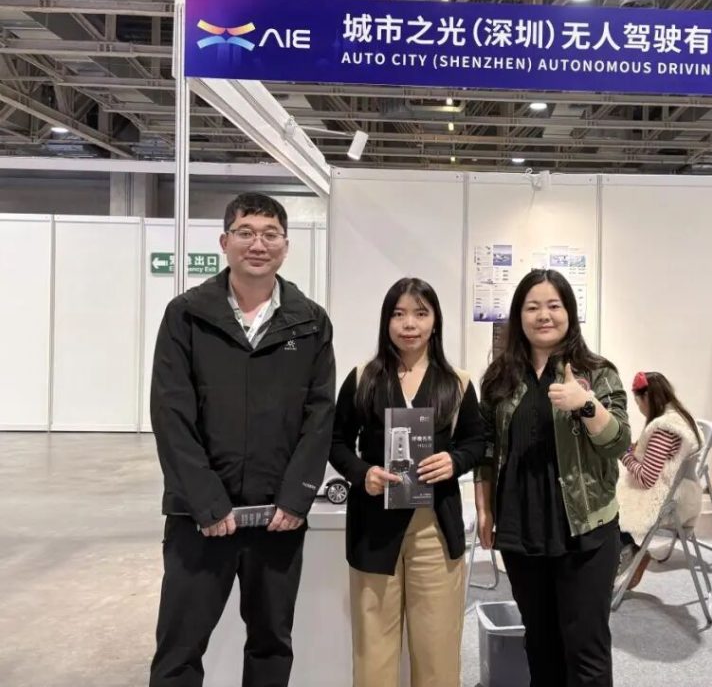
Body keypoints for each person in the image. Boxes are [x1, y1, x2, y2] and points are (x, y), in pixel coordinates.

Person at [149, 192, 336, 687]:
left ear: (286, 246)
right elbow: (171, 415)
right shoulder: (187, 315)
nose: (258, 244)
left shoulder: (309, 321)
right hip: (199, 517)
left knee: (271, 643)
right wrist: (206, 502)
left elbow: (320, 416)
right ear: (224, 241)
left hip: (277, 518)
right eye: (246, 232)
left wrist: (296, 498)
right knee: (179, 649)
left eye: (271, 234)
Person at [475, 269, 630, 687]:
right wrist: (484, 508)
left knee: (586, 650)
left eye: (553, 306)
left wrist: (587, 405)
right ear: (519, 316)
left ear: (569, 312)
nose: (543, 315)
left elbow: (618, 443)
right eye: (532, 307)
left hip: (585, 529)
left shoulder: (598, 373)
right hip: (521, 528)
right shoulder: (500, 378)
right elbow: (486, 449)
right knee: (540, 645)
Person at [330, 278, 486, 687]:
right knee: (374, 651)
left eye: (420, 313)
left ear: (435, 322)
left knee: (437, 650)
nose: (409, 324)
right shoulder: (363, 377)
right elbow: (336, 441)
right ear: (386, 322)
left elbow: (476, 442)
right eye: (398, 314)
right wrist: (363, 473)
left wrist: (454, 461)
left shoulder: (457, 382)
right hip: (374, 527)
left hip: (435, 527)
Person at [615, 371, 704, 590]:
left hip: (669, 503)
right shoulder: (680, 417)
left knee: (613, 512)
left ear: (646, 397)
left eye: (638, 402)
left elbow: (646, 478)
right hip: (684, 493)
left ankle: (631, 554)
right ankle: (633, 552)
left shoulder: (664, 429)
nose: (639, 407)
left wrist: (623, 454)